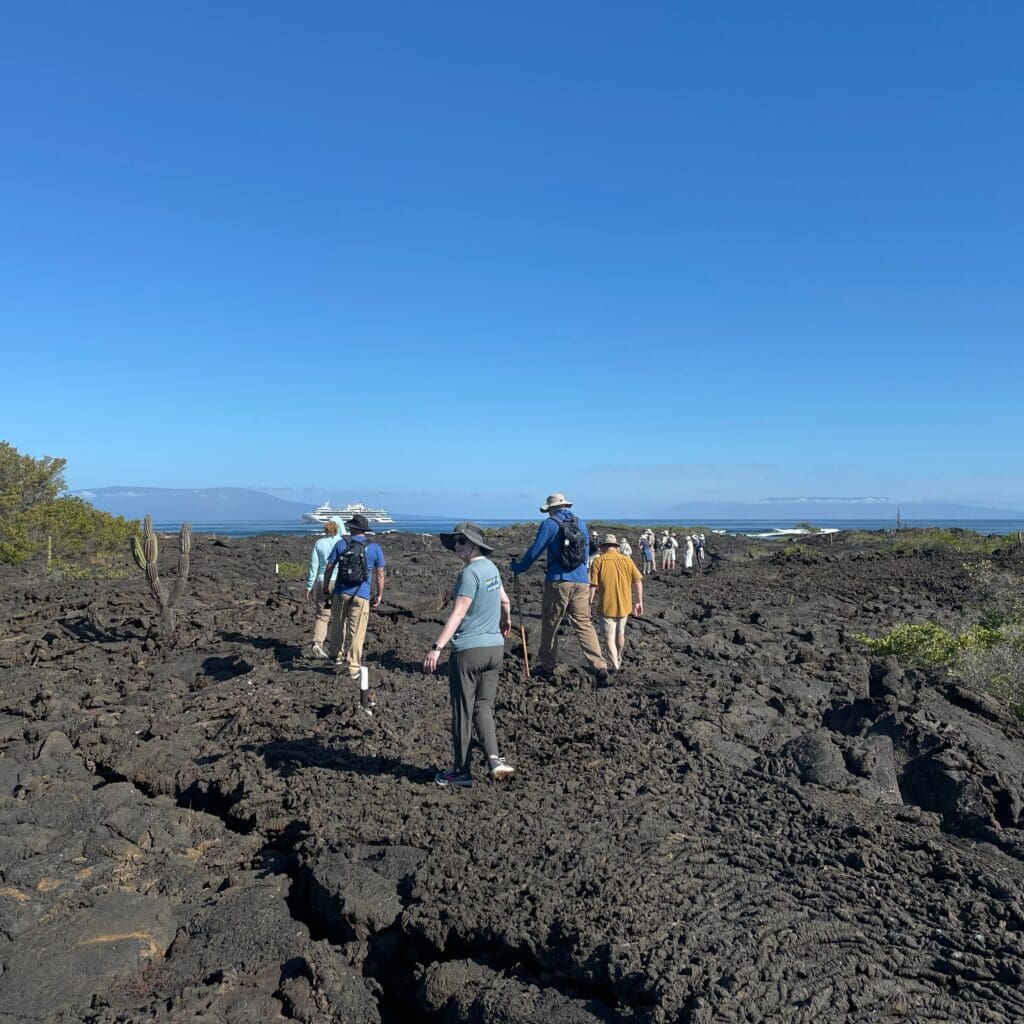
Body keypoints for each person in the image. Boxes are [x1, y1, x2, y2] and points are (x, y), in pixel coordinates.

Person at [424, 522, 515, 788]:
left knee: (463, 711)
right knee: (484, 707)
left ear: (475, 543)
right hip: (495, 649)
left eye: (461, 542)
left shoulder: (470, 573)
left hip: (469, 651)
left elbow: (459, 612)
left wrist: (437, 647)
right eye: (454, 542)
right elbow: (505, 601)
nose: (456, 547)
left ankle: (461, 771)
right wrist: (505, 621)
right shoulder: (492, 569)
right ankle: (494, 759)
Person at [510, 493, 609, 684]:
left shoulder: (550, 524)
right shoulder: (580, 523)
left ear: (550, 509)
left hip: (558, 581)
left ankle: (547, 665)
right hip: (581, 581)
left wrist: (519, 568)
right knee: (584, 624)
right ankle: (599, 665)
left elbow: (535, 550)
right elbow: (587, 552)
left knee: (550, 624)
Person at [322, 513, 386, 690]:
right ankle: (353, 666)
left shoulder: (341, 543)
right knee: (357, 631)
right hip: (362, 593)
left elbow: (329, 568)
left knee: (337, 625)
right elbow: (380, 575)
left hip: (341, 592)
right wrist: (379, 594)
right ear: (365, 530)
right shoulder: (374, 548)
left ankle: (335, 656)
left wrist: (326, 588)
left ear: (351, 528)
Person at [589, 534, 643, 675]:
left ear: (603, 547)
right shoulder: (627, 560)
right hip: (625, 605)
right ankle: (618, 656)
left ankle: (616, 667)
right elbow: (638, 581)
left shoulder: (598, 562)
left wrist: (588, 604)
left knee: (609, 639)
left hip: (607, 606)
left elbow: (592, 586)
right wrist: (638, 601)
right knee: (620, 634)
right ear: (616, 547)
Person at [305, 517, 347, 658]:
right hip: (339, 582)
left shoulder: (319, 543)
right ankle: (338, 650)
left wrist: (309, 586)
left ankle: (317, 643)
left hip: (322, 581)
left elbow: (313, 565)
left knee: (322, 616)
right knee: (340, 618)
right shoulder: (343, 543)